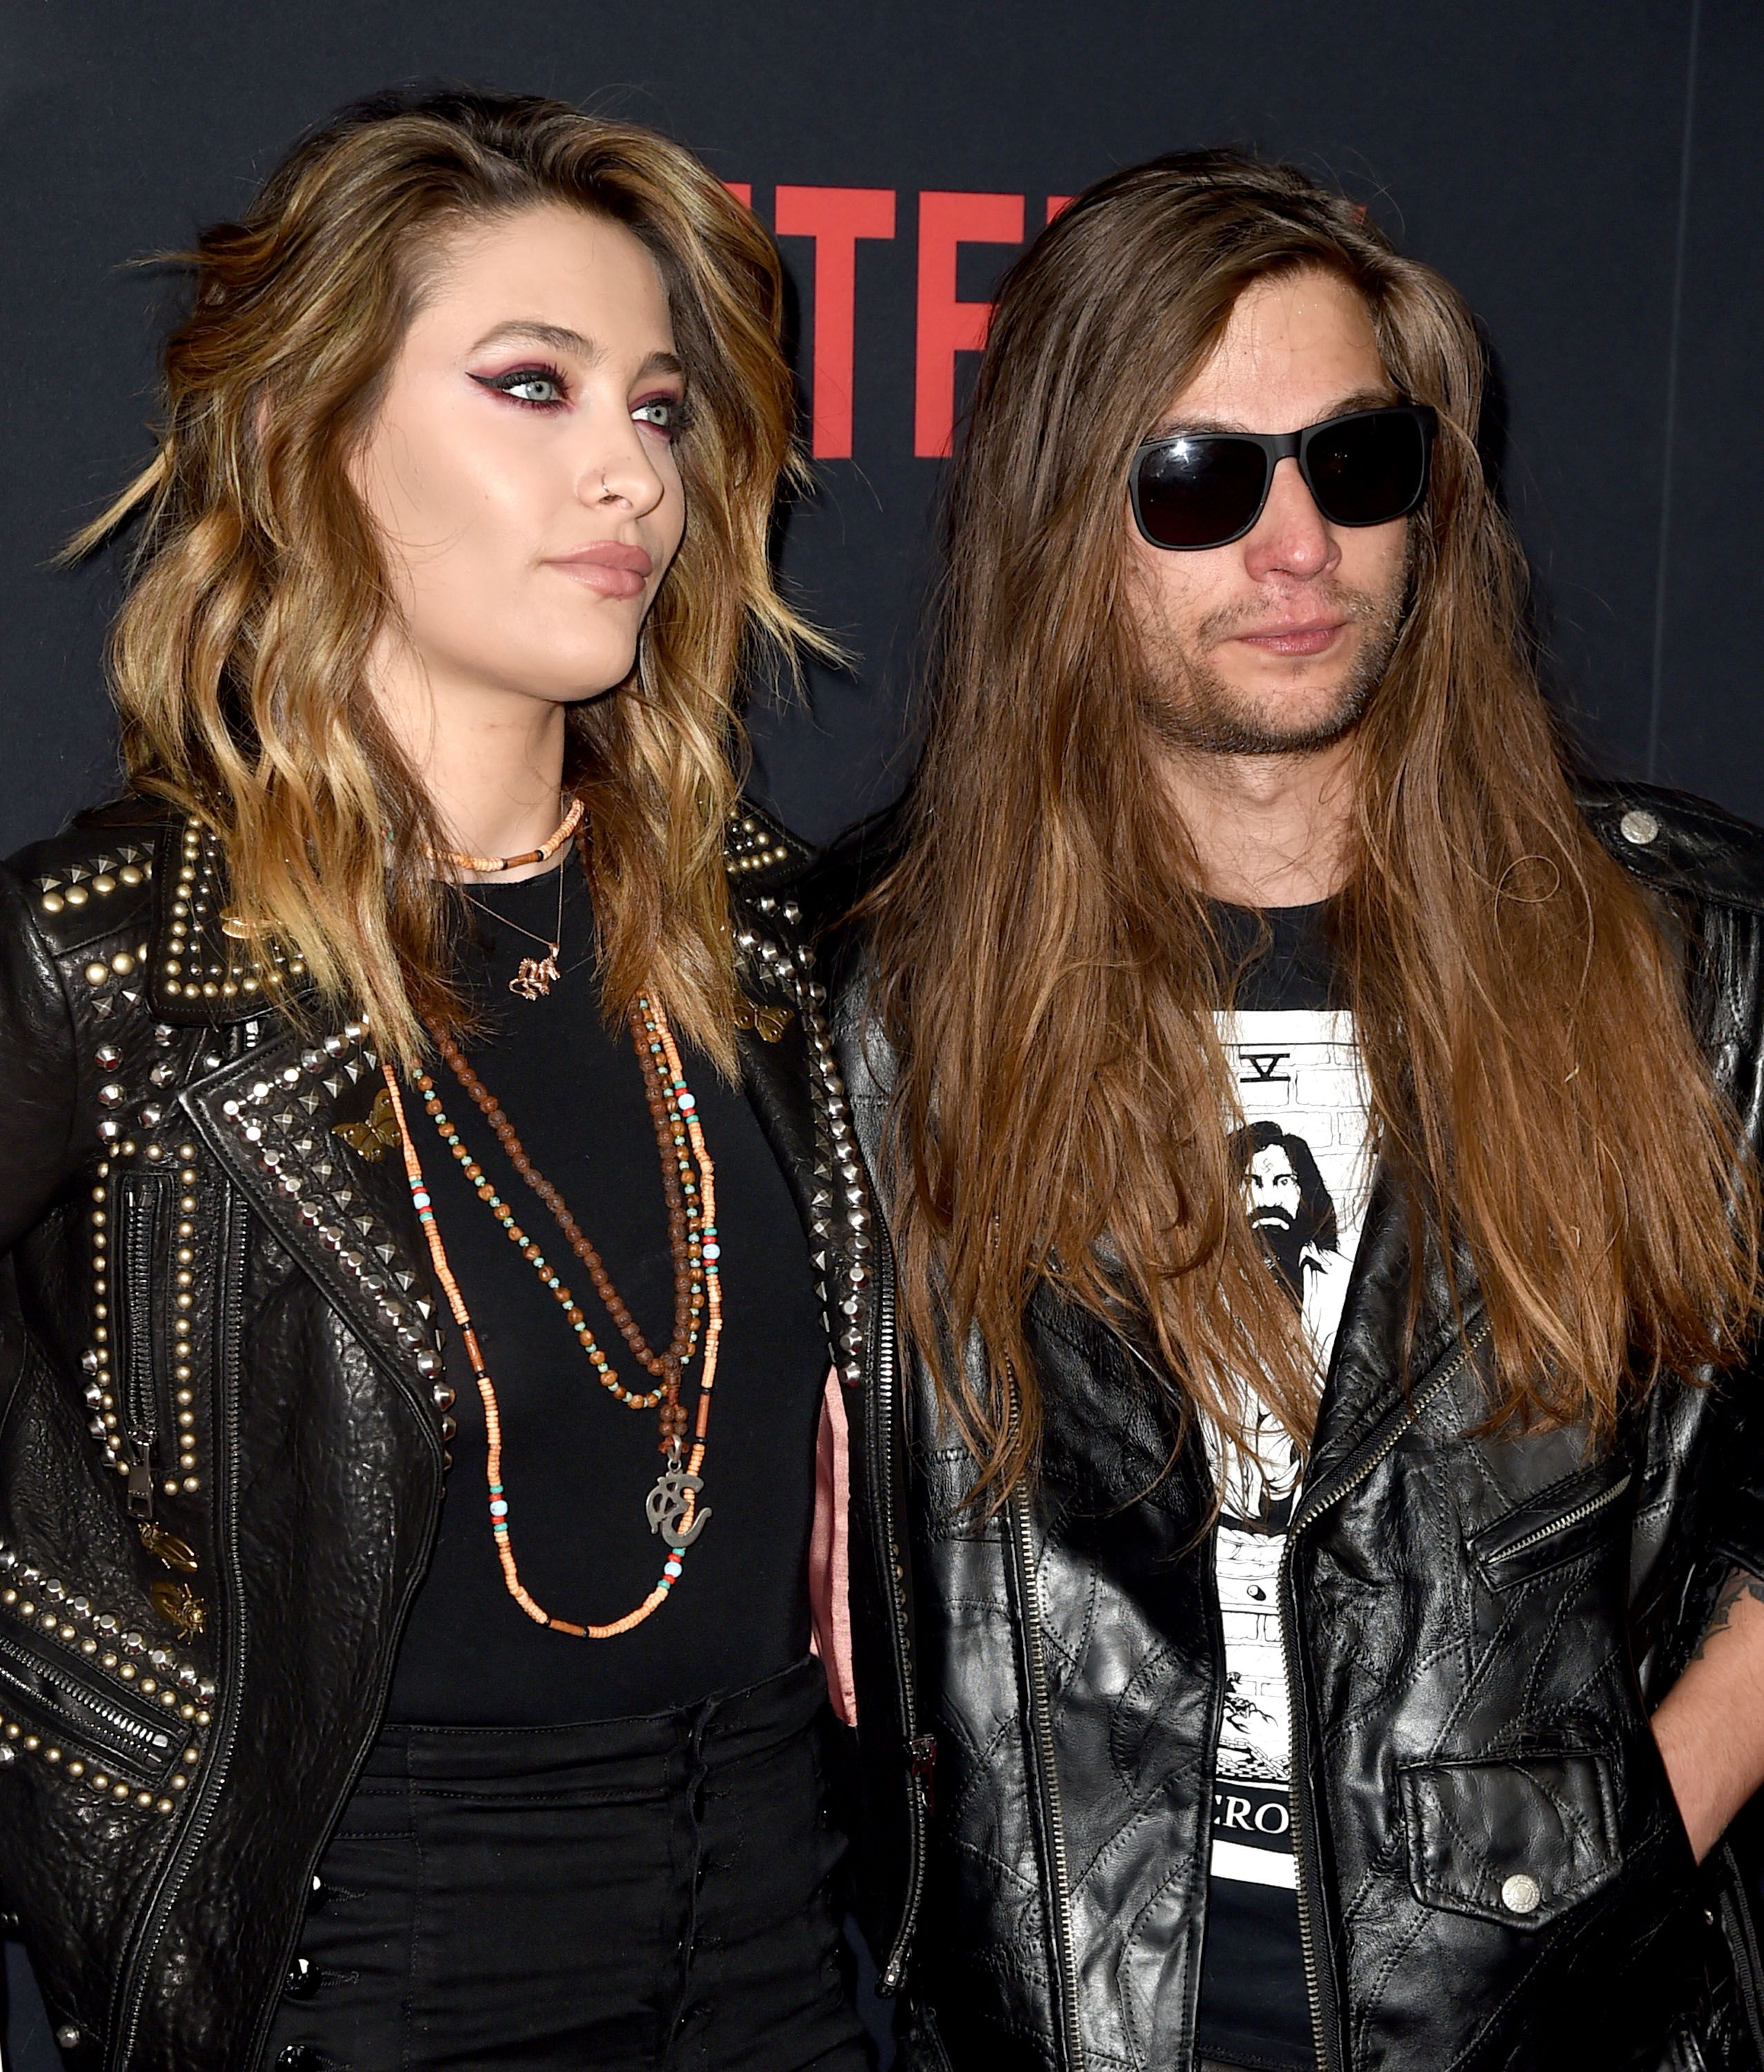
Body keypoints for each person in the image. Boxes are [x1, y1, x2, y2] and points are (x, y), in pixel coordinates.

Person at [836, 150, 1764, 2070]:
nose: (1296, 551)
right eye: (1196, 482)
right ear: (1056, 523)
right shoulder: (875, 1002)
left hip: (1560, 2008)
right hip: (1067, 2005)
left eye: (1356, 468)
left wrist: (1616, 1859)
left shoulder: (1685, 960)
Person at [0, 89, 874, 2071]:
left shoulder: (773, 943)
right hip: (370, 1978)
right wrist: (100, 1748)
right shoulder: (124, 963)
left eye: (657, 409)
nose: (628, 477)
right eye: (531, 387)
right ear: (315, 442)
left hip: (779, 1958)